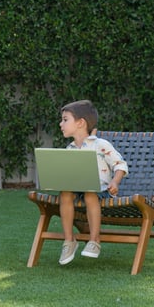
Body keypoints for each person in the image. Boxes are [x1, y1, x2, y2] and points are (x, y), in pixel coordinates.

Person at [57, 100, 128, 265]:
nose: (61, 124)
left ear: (80, 123)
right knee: (65, 193)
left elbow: (120, 164)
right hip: (77, 188)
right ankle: (69, 241)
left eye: (65, 119)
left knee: (90, 194)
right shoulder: (70, 149)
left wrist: (115, 182)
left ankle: (94, 240)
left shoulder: (101, 145)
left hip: (99, 190)